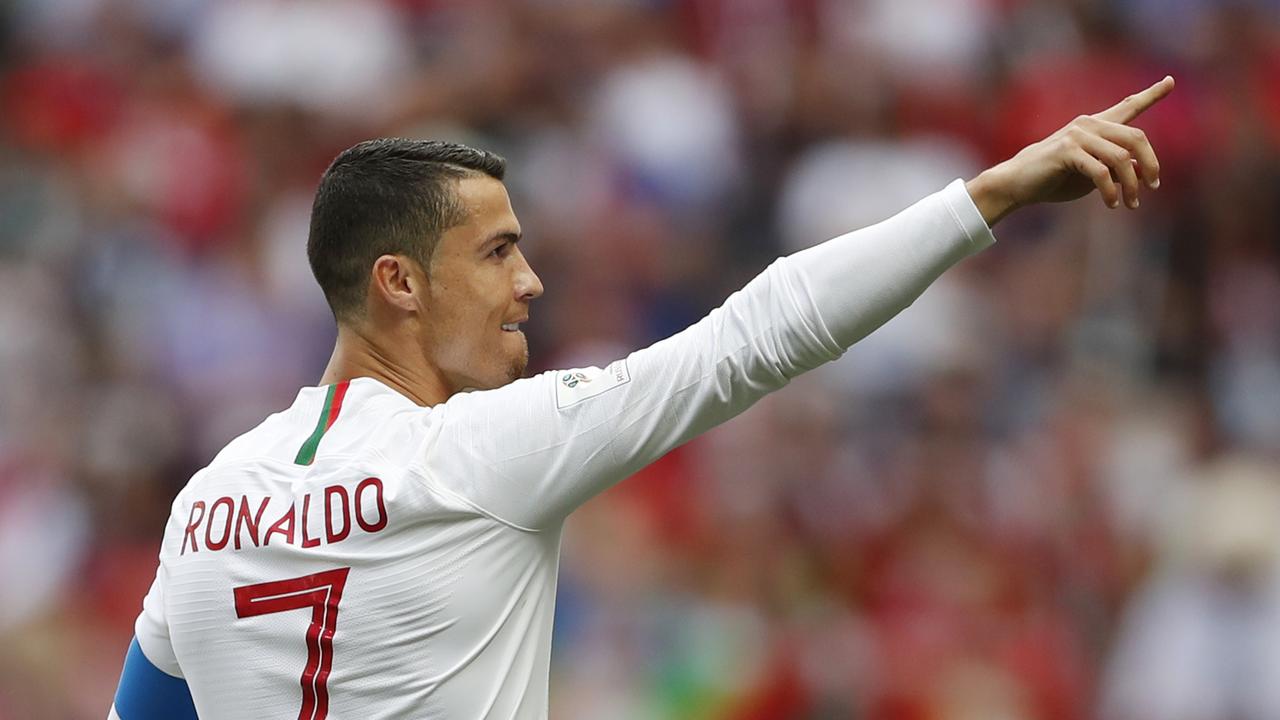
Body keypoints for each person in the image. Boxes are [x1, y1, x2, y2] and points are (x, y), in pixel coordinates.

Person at [107, 77, 1175, 720]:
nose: (529, 282)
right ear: (398, 282)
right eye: (496, 253)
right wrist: (989, 195)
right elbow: (753, 338)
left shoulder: (208, 503)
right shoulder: (481, 455)